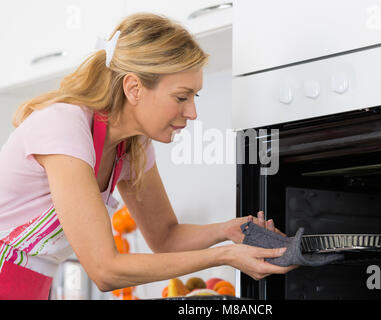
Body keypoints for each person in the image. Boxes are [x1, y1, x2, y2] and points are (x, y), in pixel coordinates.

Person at [0, 13, 294, 300]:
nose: (192, 113)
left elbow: (166, 238)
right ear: (133, 88)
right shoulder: (63, 126)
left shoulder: (131, 147)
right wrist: (225, 256)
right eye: (181, 97)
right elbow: (105, 270)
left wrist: (228, 230)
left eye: (195, 97)